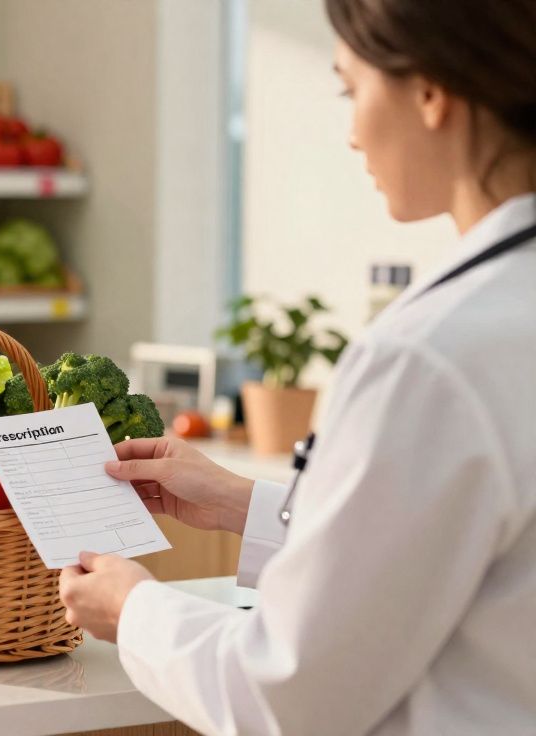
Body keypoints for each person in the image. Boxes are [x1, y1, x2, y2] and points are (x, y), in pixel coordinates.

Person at [59, 0, 536, 733]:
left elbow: (286, 693)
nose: (350, 135)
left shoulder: (429, 359)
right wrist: (244, 506)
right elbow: (451, 560)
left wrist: (135, 611)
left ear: (432, 92)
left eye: (352, 90)